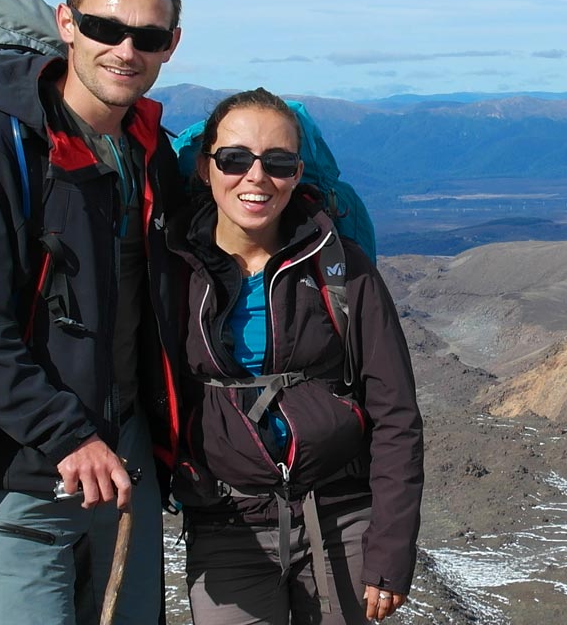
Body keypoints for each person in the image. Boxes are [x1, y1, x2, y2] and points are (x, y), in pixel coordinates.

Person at [0, 0, 184, 624]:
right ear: (67, 23)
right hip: (27, 471)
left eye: (148, 37)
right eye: (104, 27)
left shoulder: (151, 152)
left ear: (170, 46)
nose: (126, 50)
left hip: (125, 465)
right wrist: (68, 437)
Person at [155, 89, 425, 624]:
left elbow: (396, 414)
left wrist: (391, 549)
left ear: (298, 173)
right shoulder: (171, 272)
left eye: (277, 163)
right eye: (234, 159)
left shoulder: (342, 270)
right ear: (206, 169)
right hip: (226, 526)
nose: (256, 177)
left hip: (342, 521)